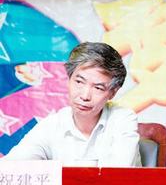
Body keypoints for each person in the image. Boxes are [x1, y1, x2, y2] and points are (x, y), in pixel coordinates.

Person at [2, 42, 141, 167]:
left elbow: (119, 177)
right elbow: (9, 168)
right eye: (79, 82)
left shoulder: (122, 119)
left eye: (98, 88)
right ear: (69, 80)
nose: (85, 96)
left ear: (112, 93)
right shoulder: (53, 125)